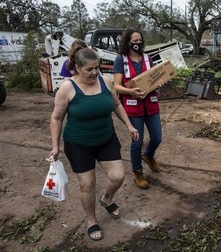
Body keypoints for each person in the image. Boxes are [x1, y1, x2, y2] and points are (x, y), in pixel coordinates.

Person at [49, 45, 139, 241]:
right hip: (78, 144)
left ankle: (106, 199)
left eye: (97, 67)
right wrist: (55, 146)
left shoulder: (105, 82)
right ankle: (91, 220)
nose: (94, 72)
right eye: (89, 69)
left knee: (118, 176)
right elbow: (56, 118)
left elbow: (116, 104)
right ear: (77, 69)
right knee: (87, 185)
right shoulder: (67, 88)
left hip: (106, 139)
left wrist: (129, 125)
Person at [113, 28, 163, 190]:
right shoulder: (121, 60)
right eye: (134, 41)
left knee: (157, 137)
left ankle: (148, 155)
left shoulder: (148, 58)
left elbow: (155, 78)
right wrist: (131, 92)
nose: (138, 44)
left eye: (139, 40)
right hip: (133, 107)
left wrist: (159, 84)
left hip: (151, 104)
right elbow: (117, 87)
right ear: (128, 42)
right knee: (137, 141)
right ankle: (137, 172)